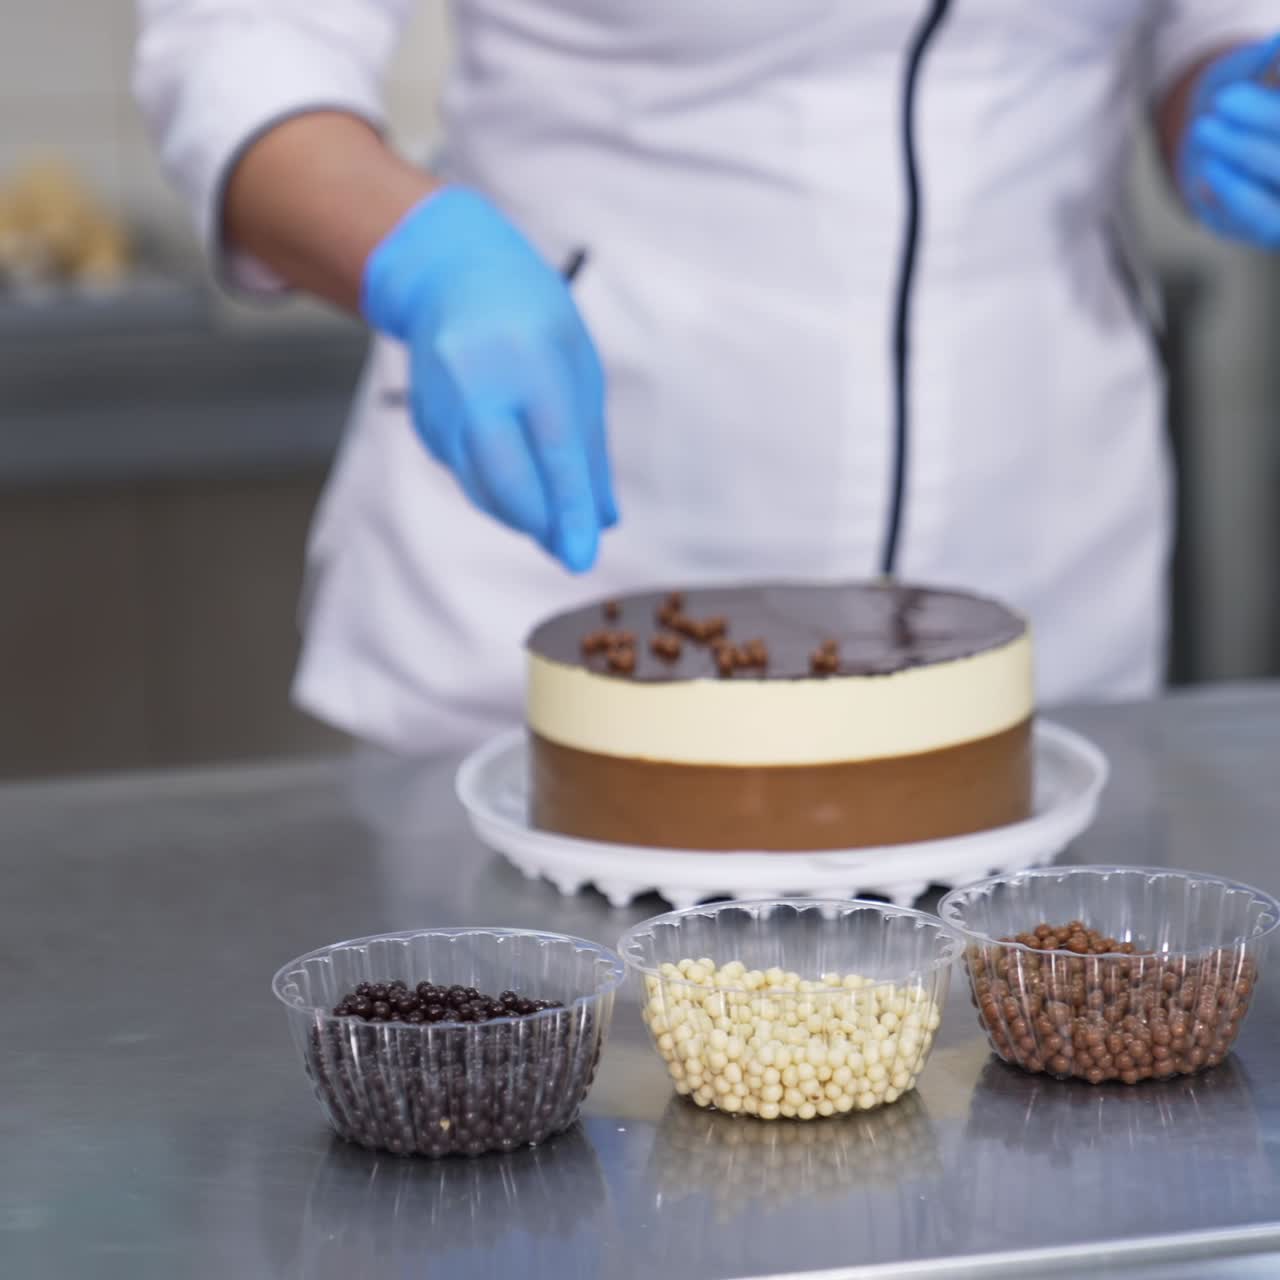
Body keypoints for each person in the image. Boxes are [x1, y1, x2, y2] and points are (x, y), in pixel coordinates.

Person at [135, 2, 1280, 755]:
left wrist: (1219, 84)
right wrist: (424, 257)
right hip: (570, 552)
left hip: (1035, 546)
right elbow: (243, 39)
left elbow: (1191, 20)